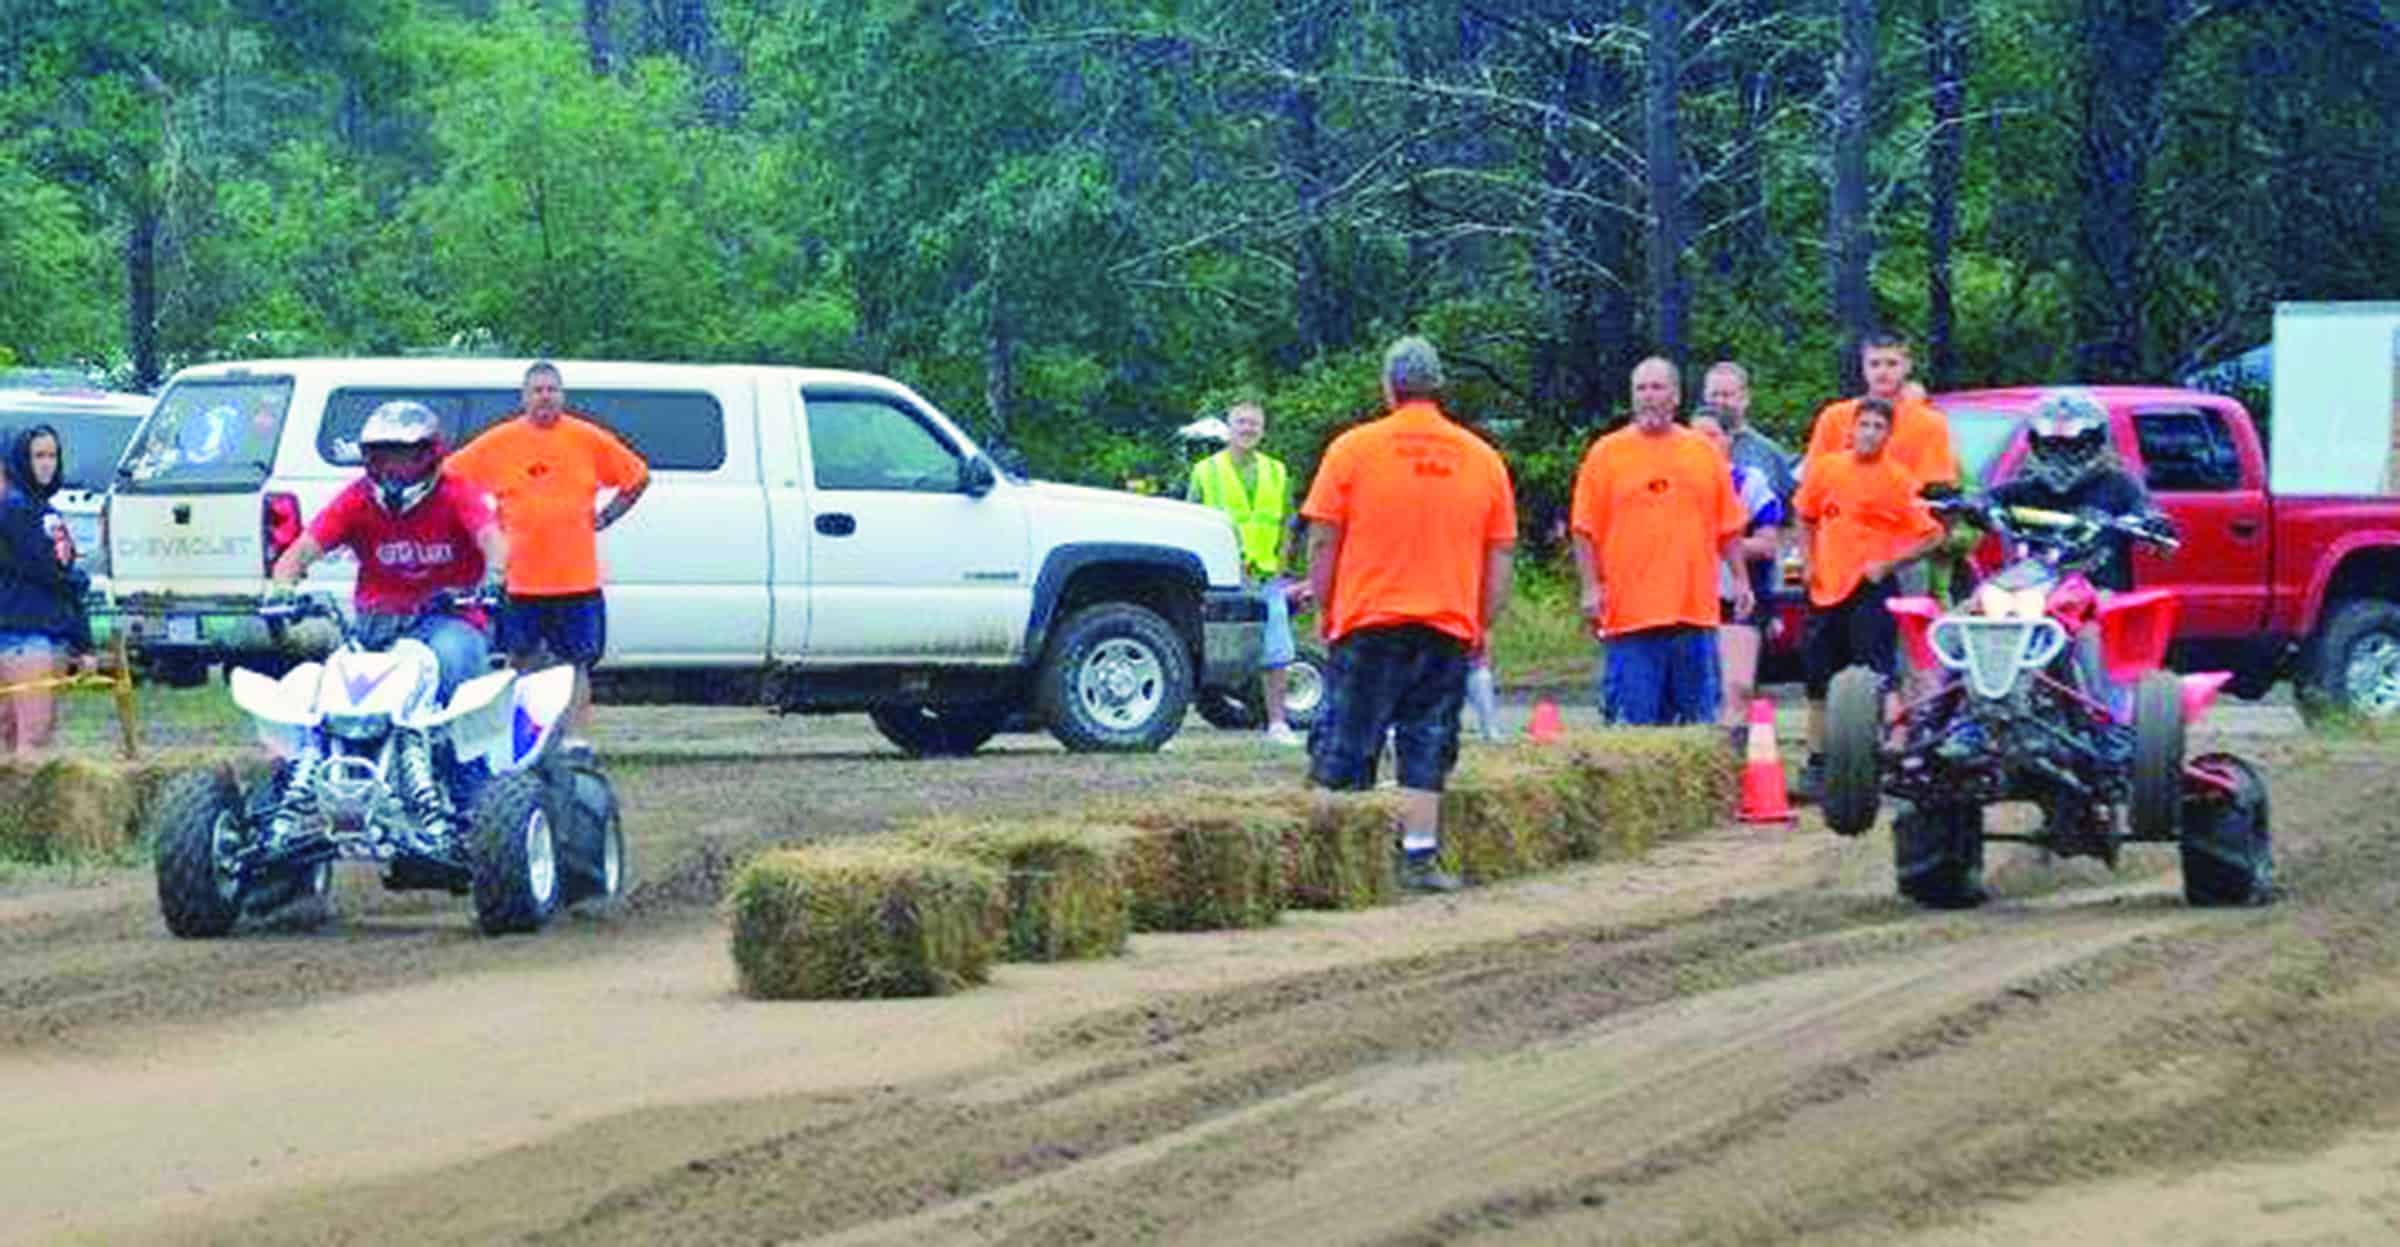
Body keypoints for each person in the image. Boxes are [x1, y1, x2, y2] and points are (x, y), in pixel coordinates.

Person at [1301, 336, 1516, 893]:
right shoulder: (1481, 457)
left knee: (1346, 740)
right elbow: (1501, 555)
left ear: (1388, 386)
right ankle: (1418, 857)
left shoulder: (1352, 450)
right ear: (1437, 385)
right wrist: (1481, 623)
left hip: (1369, 618)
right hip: (1445, 622)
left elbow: (1323, 540)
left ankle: (1333, 863)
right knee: (1428, 739)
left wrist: (1326, 607)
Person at [446, 362, 650, 754]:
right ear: (524, 397)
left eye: (552, 389)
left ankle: (574, 740)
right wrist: (482, 528)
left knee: (576, 664)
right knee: (517, 661)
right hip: (519, 580)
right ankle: (511, 738)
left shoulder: (587, 439)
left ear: (562, 395)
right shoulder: (500, 442)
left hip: (577, 580)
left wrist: (607, 515)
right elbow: (450, 481)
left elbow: (637, 477)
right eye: (537, 390)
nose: (545, 397)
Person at [270, 400, 508, 699]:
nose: (392, 469)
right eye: (382, 458)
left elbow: (492, 539)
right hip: (376, 623)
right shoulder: (356, 499)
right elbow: (302, 550)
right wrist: (282, 586)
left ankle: (452, 741)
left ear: (430, 456)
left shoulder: (456, 493)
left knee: (453, 659)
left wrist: (495, 577)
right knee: (332, 686)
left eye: (405, 457)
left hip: (449, 617)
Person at [1569, 358, 1752, 726]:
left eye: (1658, 388)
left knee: (1696, 724)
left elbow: (1728, 525)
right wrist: (1590, 588)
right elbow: (1583, 528)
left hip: (1693, 611)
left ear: (1676, 396)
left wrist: (1741, 579)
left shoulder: (1703, 453)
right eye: (1641, 389)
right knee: (1634, 726)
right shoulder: (1606, 454)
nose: (1649, 397)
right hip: (1630, 614)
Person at [1792, 398, 1946, 793]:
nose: (1870, 433)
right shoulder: (1827, 469)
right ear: (1851, 429)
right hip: (1826, 586)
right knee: (1818, 676)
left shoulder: (1897, 479)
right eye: (1865, 425)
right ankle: (1817, 757)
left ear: (1888, 435)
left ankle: (1883, 753)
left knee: (1877, 673)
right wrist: (1809, 562)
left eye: (1879, 427)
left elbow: (1932, 535)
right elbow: (1805, 515)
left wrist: (1889, 564)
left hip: (1871, 588)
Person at [1186, 400, 1305, 746]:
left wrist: (1282, 568)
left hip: (1266, 575)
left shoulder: (1277, 471)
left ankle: (1278, 723)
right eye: (1241, 422)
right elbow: (1191, 521)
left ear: (1263, 429)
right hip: (1220, 575)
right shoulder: (1206, 472)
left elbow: (1287, 523)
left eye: (1254, 423)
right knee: (1201, 645)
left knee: (1277, 648)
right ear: (1229, 427)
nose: (1248, 429)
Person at [1692, 410, 1787, 740]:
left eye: (1712, 437)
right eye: (1695, 438)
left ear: (1728, 442)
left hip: (1738, 595)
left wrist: (1717, 545)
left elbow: (1767, 544)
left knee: (1738, 685)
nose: (1704, 445)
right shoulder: (1675, 485)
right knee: (1700, 685)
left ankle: (1735, 753)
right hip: (1688, 598)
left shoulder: (1749, 481)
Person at [0, 425, 94, 757]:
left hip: (45, 629)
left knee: (15, 735)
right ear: (20, 460)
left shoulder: (45, 510)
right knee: (31, 738)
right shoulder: (14, 509)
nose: (46, 463)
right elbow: (46, 570)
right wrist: (78, 580)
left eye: (52, 455)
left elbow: (59, 574)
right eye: (38, 455)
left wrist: (83, 642)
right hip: (23, 634)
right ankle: (28, 808)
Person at [1804, 333, 1960, 492]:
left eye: (1892, 364)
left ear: (1907, 366)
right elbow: (1813, 479)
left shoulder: (1930, 424)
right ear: (1863, 368)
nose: (1882, 372)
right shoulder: (1834, 417)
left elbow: (1936, 486)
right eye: (1874, 364)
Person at [1701, 360, 1798, 502]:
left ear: (1745, 399)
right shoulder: (1688, 446)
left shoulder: (1767, 452)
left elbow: (1792, 507)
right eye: (1714, 395)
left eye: (1727, 395)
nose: (1719, 401)